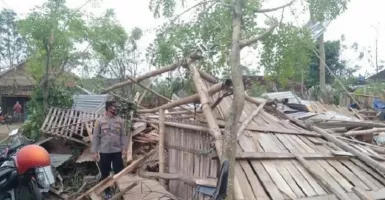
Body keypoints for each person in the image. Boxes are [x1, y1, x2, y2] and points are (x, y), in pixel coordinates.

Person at [91, 101, 128, 199]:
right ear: (107, 109)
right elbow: (96, 137)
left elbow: (123, 135)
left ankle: (119, 190)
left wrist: (124, 148)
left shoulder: (120, 121)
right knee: (105, 172)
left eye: (115, 108)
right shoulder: (99, 121)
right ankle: (107, 191)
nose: (114, 110)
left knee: (119, 171)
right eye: (112, 108)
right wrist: (95, 151)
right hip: (104, 151)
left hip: (117, 151)